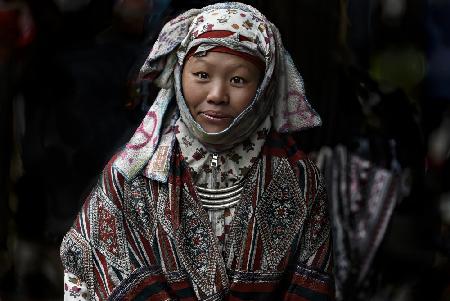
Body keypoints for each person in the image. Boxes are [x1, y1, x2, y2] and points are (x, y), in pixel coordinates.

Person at [60, 2, 334, 300]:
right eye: (202, 75)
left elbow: (312, 284)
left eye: (238, 80)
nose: (217, 95)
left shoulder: (299, 179)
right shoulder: (131, 175)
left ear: (265, 86)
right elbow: (86, 266)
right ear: (179, 75)